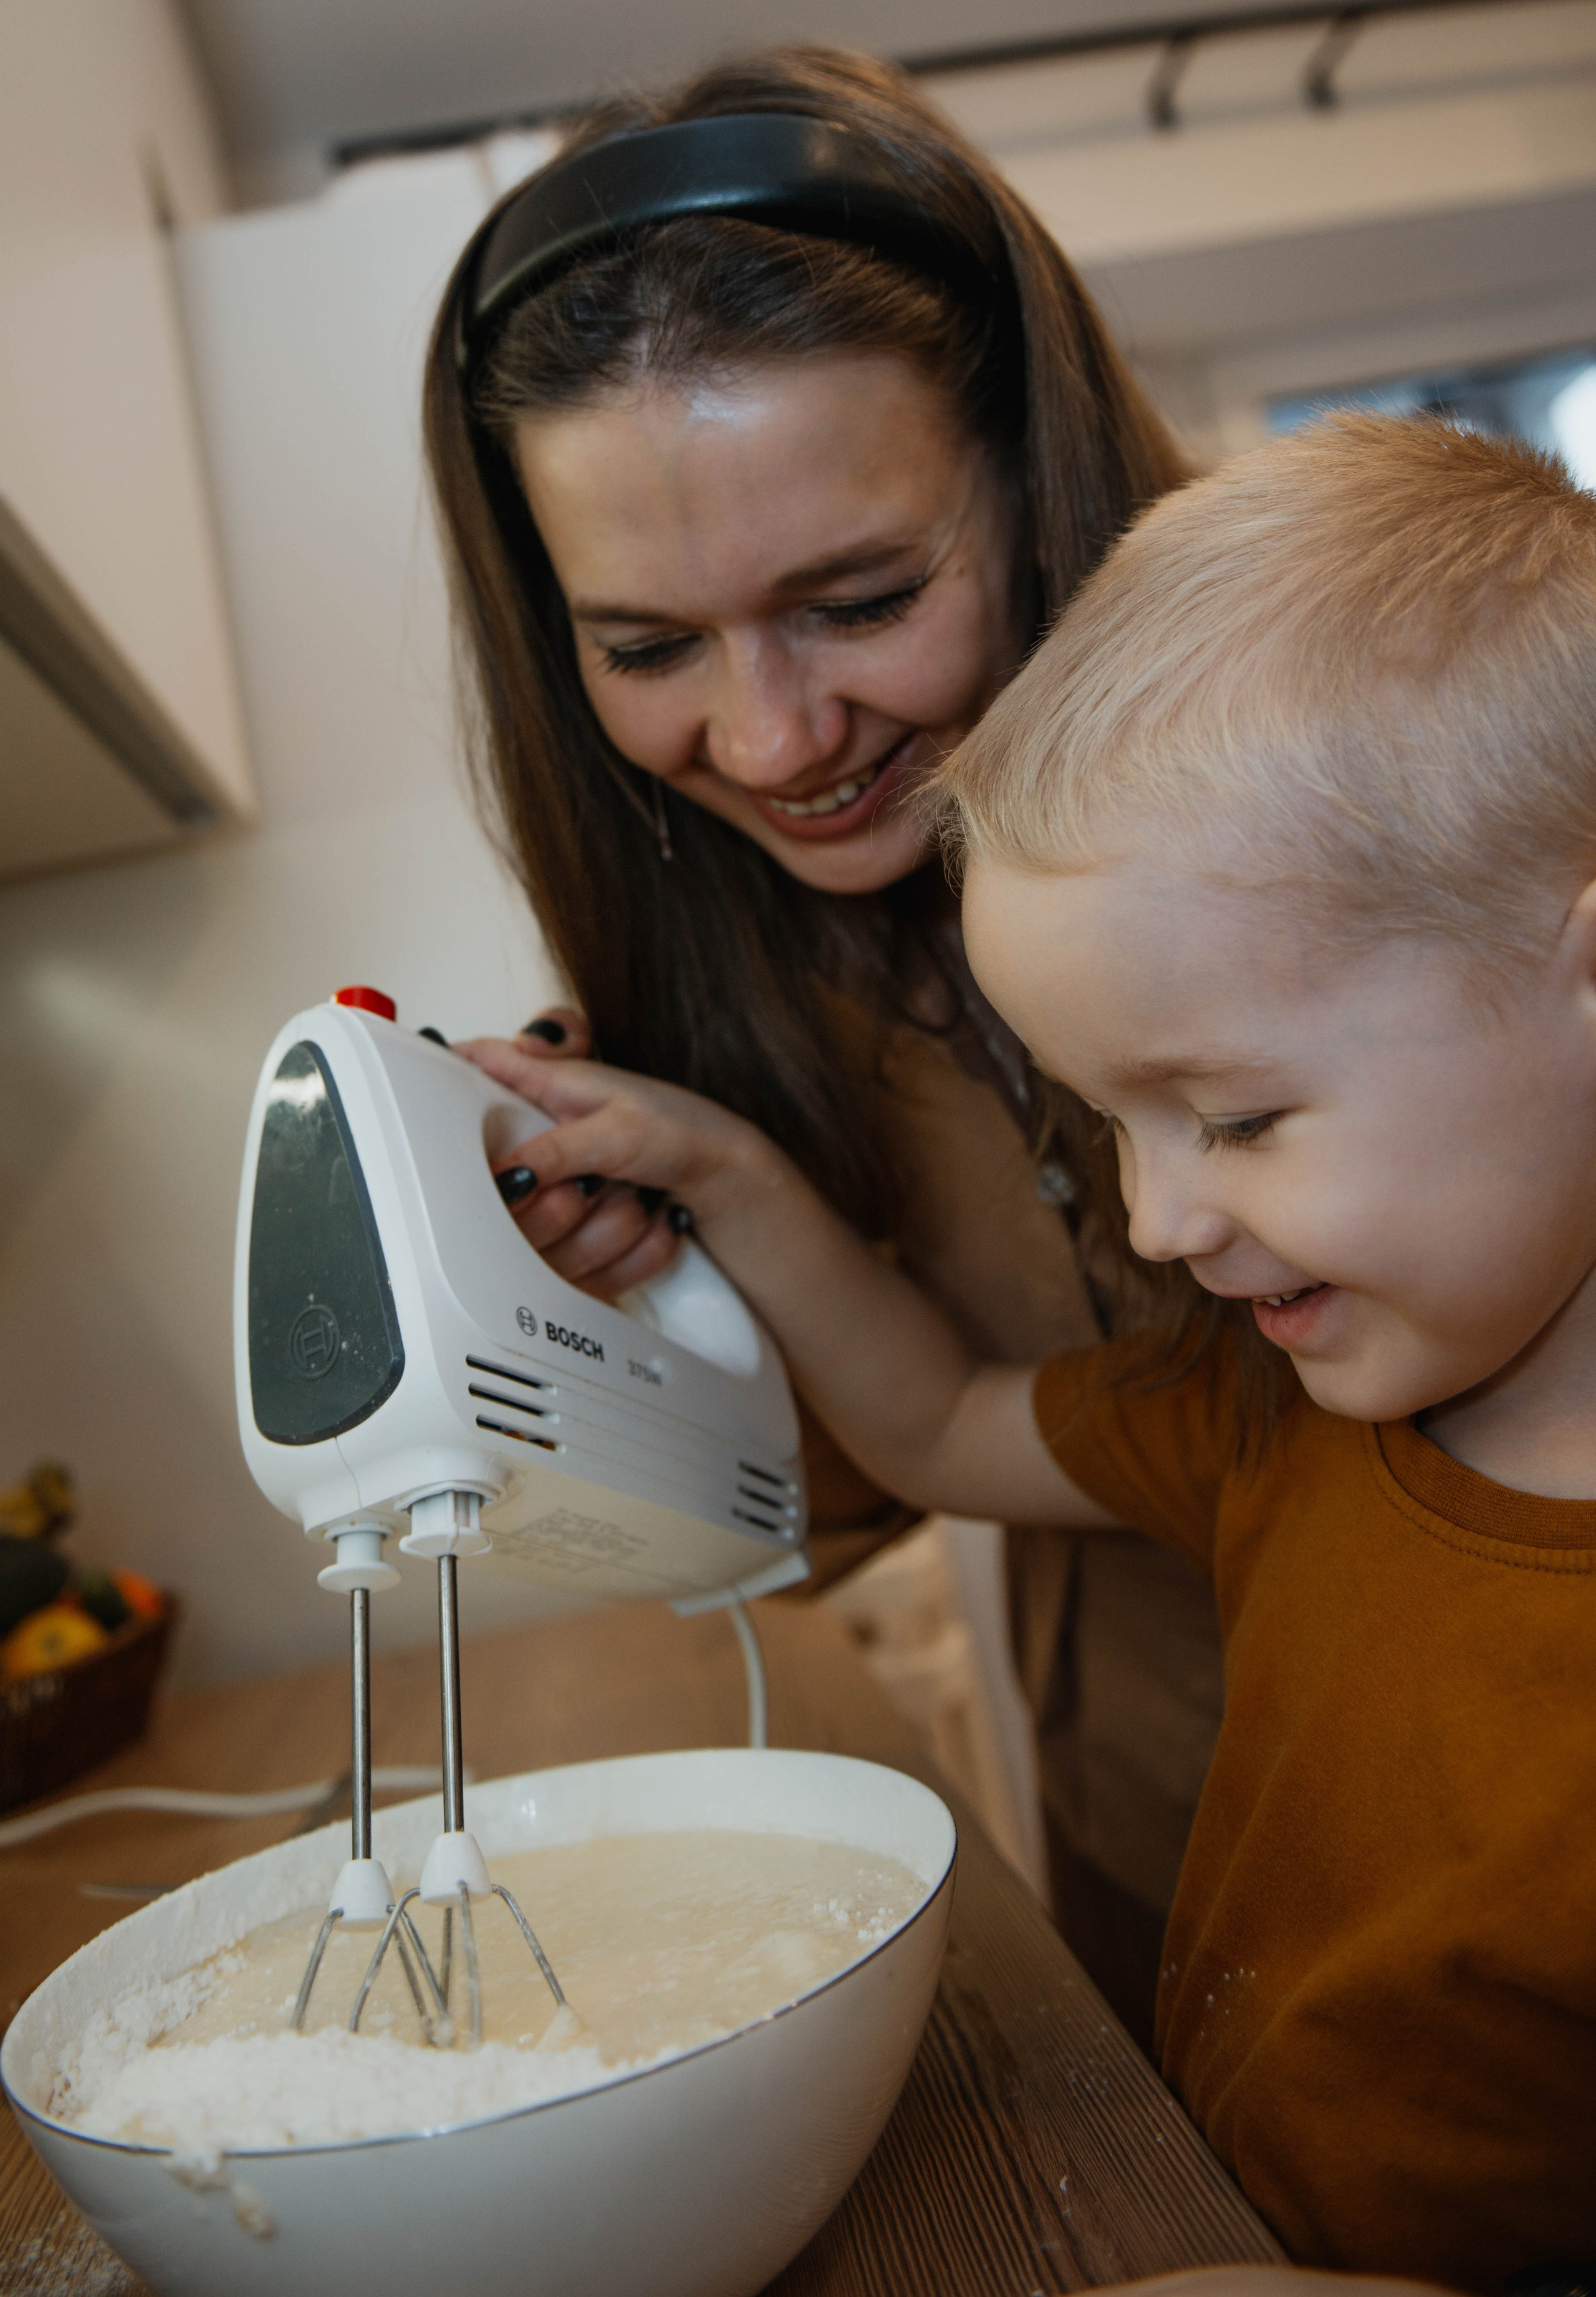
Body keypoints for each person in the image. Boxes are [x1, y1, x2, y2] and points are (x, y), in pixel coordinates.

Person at [456, 414, 1596, 2287]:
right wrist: (724, 1171)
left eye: (1230, 1117)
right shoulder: (1277, 1416)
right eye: (1111, 1129)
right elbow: (942, 1419)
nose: (1156, 1224)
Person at [427, 44, 1216, 2040]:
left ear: (1041, 482)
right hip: (1169, 1861)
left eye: (860, 598)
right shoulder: (723, 962)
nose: (772, 744)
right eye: (648, 646)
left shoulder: (1342, 777)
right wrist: (663, 1320)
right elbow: (869, 1492)